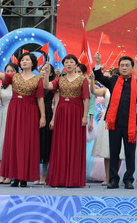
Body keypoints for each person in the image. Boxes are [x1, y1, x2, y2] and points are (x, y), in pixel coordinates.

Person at [0, 53, 46, 187]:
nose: (24, 62)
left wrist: (43, 117)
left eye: (27, 60)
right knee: (14, 142)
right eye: (22, 60)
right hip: (15, 110)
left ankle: (24, 177)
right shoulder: (14, 76)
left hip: (30, 111)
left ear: (32, 63)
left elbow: (40, 99)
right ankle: (15, 176)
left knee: (27, 143)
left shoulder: (38, 79)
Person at [93, 53, 137, 189]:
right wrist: (97, 63)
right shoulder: (114, 81)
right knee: (114, 152)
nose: (124, 68)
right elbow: (99, 77)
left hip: (130, 123)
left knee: (130, 153)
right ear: (119, 68)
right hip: (114, 122)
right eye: (122, 66)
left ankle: (128, 179)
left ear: (132, 68)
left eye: (127, 65)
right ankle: (113, 179)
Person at [41, 55, 90, 187]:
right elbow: (47, 85)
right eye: (66, 62)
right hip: (62, 112)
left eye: (71, 62)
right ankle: (60, 178)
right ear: (64, 65)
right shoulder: (60, 79)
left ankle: (73, 179)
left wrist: (85, 116)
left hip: (76, 112)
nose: (69, 64)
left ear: (76, 64)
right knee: (60, 143)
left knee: (75, 143)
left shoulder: (83, 80)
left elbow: (86, 98)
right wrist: (46, 73)